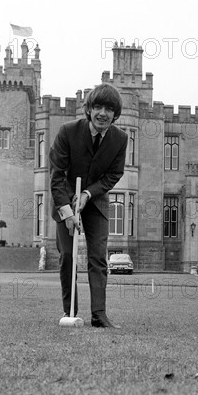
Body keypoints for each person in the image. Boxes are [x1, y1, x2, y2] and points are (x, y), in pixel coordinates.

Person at [49, 84, 128, 328]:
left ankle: (99, 315)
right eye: (98, 107)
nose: (103, 113)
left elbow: (114, 175)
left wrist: (88, 193)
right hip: (65, 198)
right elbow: (57, 176)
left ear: (115, 114)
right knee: (68, 257)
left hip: (96, 200)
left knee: (98, 257)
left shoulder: (120, 138)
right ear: (89, 110)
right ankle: (70, 310)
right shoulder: (67, 132)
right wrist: (67, 211)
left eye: (109, 109)